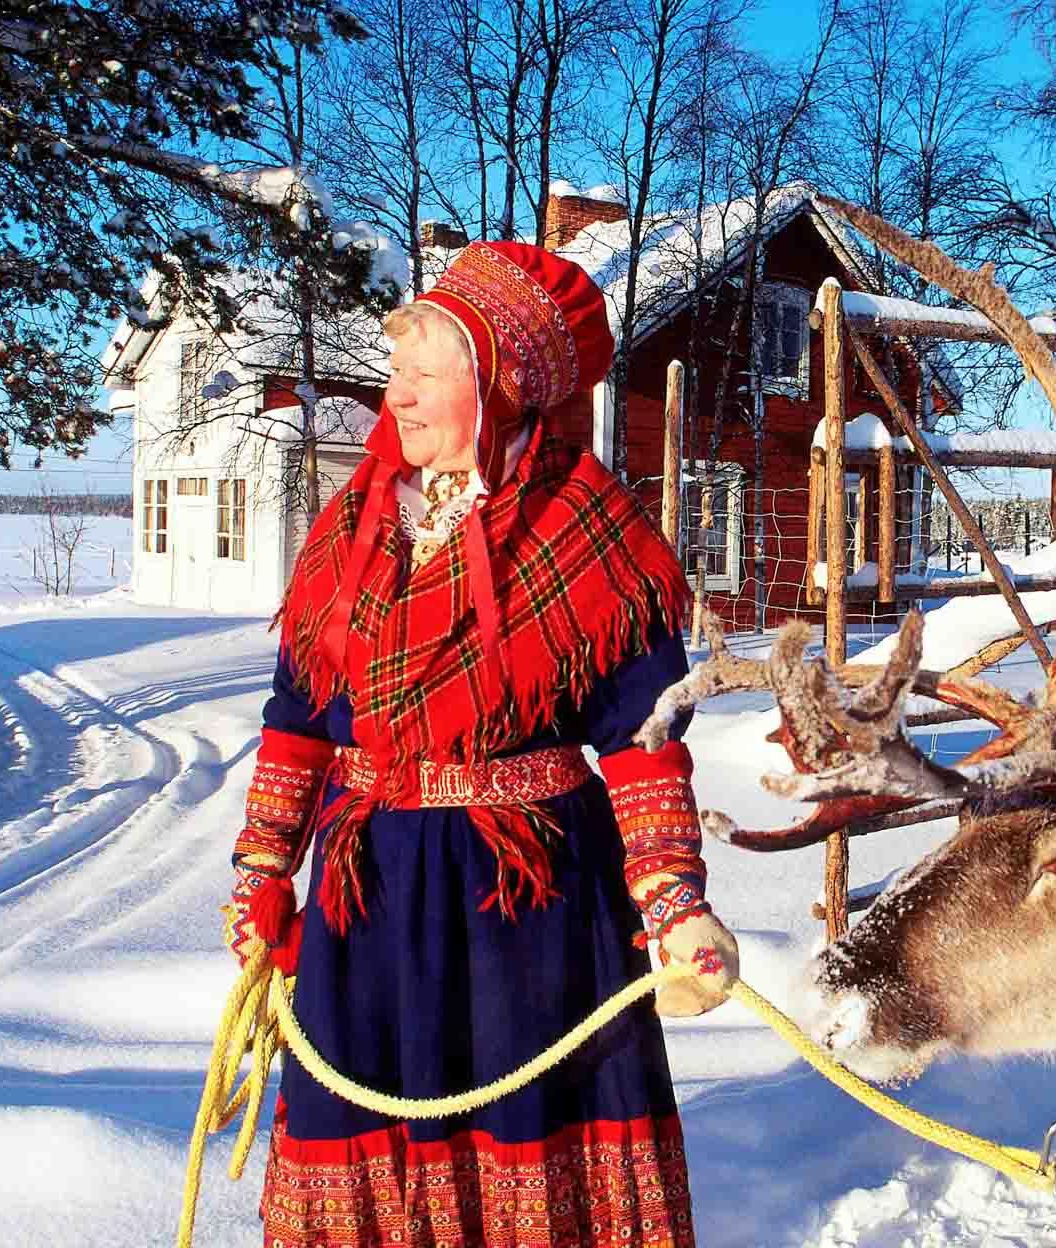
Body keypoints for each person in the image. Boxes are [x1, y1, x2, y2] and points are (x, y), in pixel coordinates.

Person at [221, 240, 740, 1248]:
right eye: (397, 372)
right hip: (363, 906)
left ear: (502, 385)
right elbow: (297, 722)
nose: (397, 396)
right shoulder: (350, 529)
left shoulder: (595, 536)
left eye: (424, 374)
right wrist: (261, 872)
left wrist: (674, 900)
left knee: (529, 1143)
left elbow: (643, 744)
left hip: (530, 913)